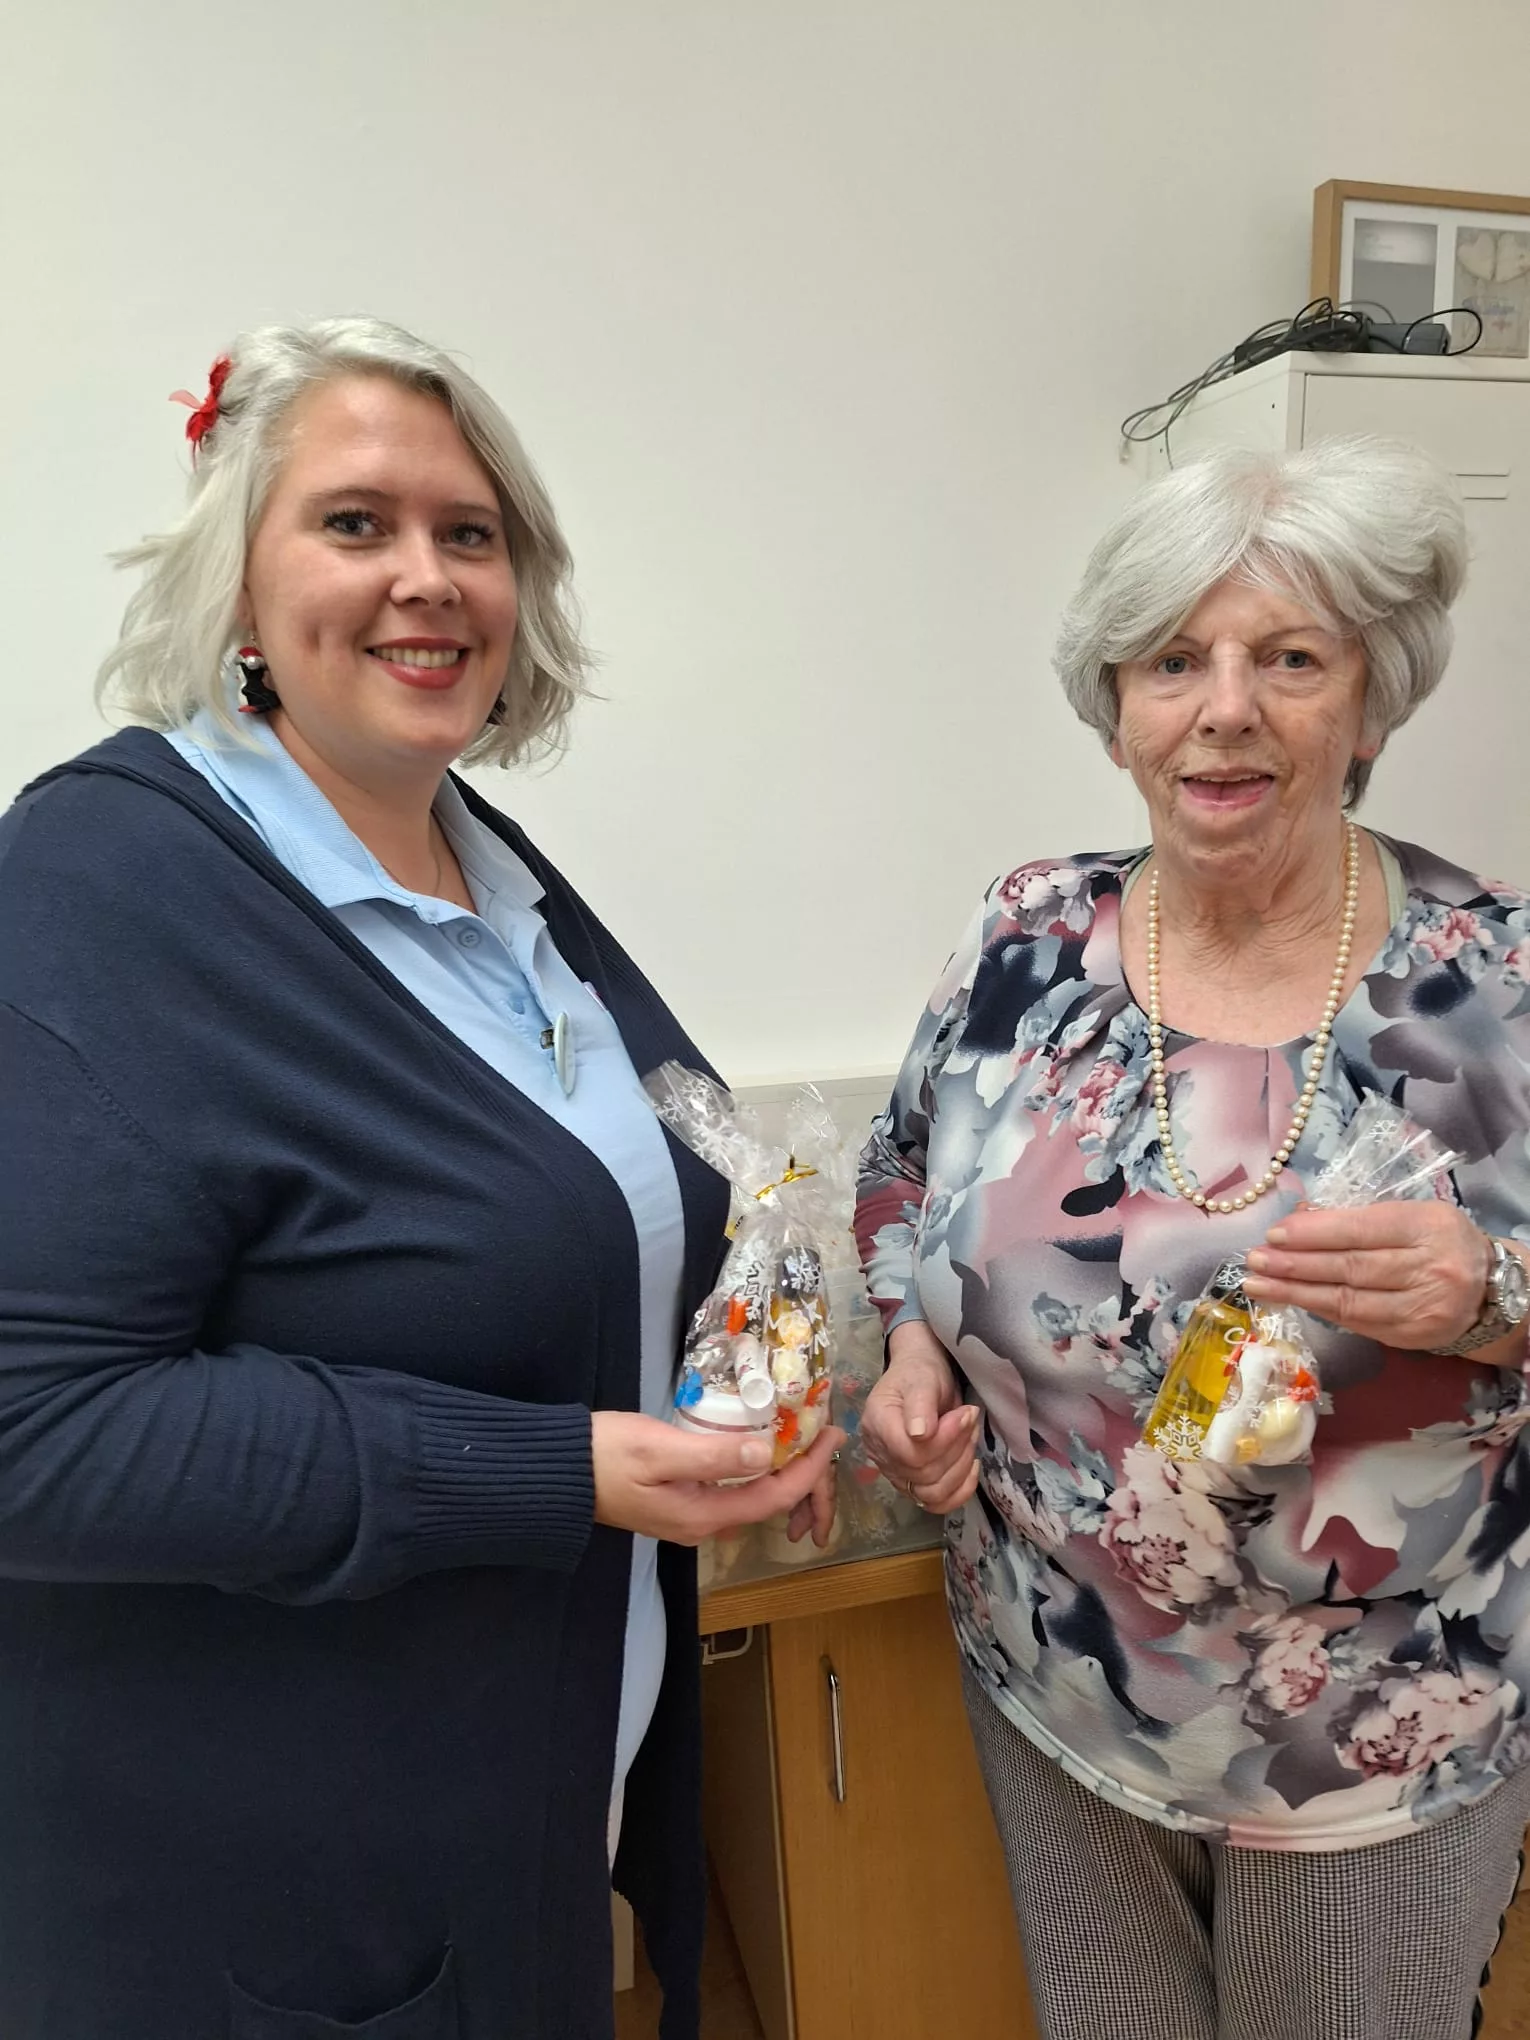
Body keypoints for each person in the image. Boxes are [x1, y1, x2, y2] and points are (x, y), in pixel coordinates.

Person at [0, 316, 840, 2040]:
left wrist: (739, 1413)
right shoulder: (101, 882)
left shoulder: (484, 866)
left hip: (520, 1837)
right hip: (268, 1920)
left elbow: (561, 1244)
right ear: (237, 578)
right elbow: (35, 1429)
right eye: (354, 523)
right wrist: (561, 1471)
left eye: (472, 533)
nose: (429, 579)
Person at [856, 438, 1530, 2040]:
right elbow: (899, 1168)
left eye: (1289, 659)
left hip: (1360, 1755)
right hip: (1054, 1686)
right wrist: (908, 1346)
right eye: (1171, 661)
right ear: (1116, 711)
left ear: (1368, 706)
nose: (1223, 707)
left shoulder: (1495, 980)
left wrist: (1495, 1291)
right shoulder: (1026, 936)